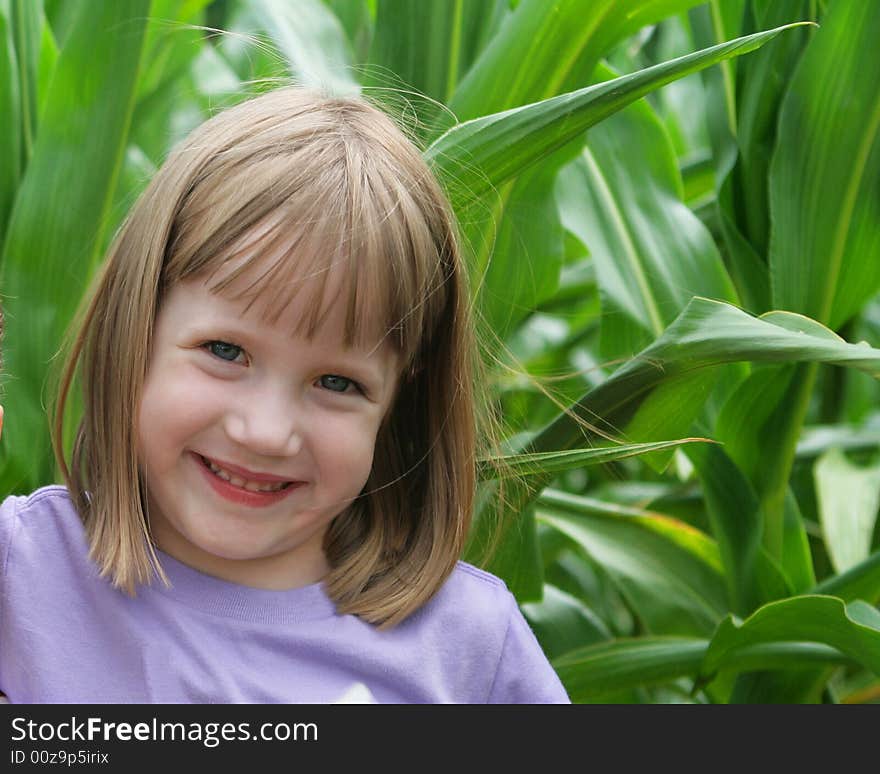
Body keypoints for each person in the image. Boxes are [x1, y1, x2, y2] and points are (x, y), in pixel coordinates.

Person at [0, 86, 570, 703]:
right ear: (136, 327)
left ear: (401, 400)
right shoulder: (19, 577)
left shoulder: (470, 652)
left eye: (336, 383)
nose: (266, 431)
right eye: (224, 351)